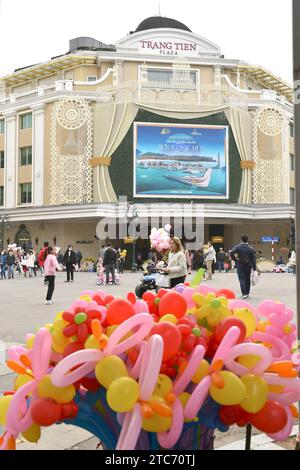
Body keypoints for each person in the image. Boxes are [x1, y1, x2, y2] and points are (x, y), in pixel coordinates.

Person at [230, 235, 257, 299]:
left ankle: (244, 293)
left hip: (240, 264)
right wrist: (254, 268)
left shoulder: (237, 247)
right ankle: (247, 293)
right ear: (247, 240)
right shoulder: (250, 248)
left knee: (242, 279)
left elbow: (231, 253)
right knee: (247, 279)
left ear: (241, 240)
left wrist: (235, 260)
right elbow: (253, 259)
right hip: (248, 265)